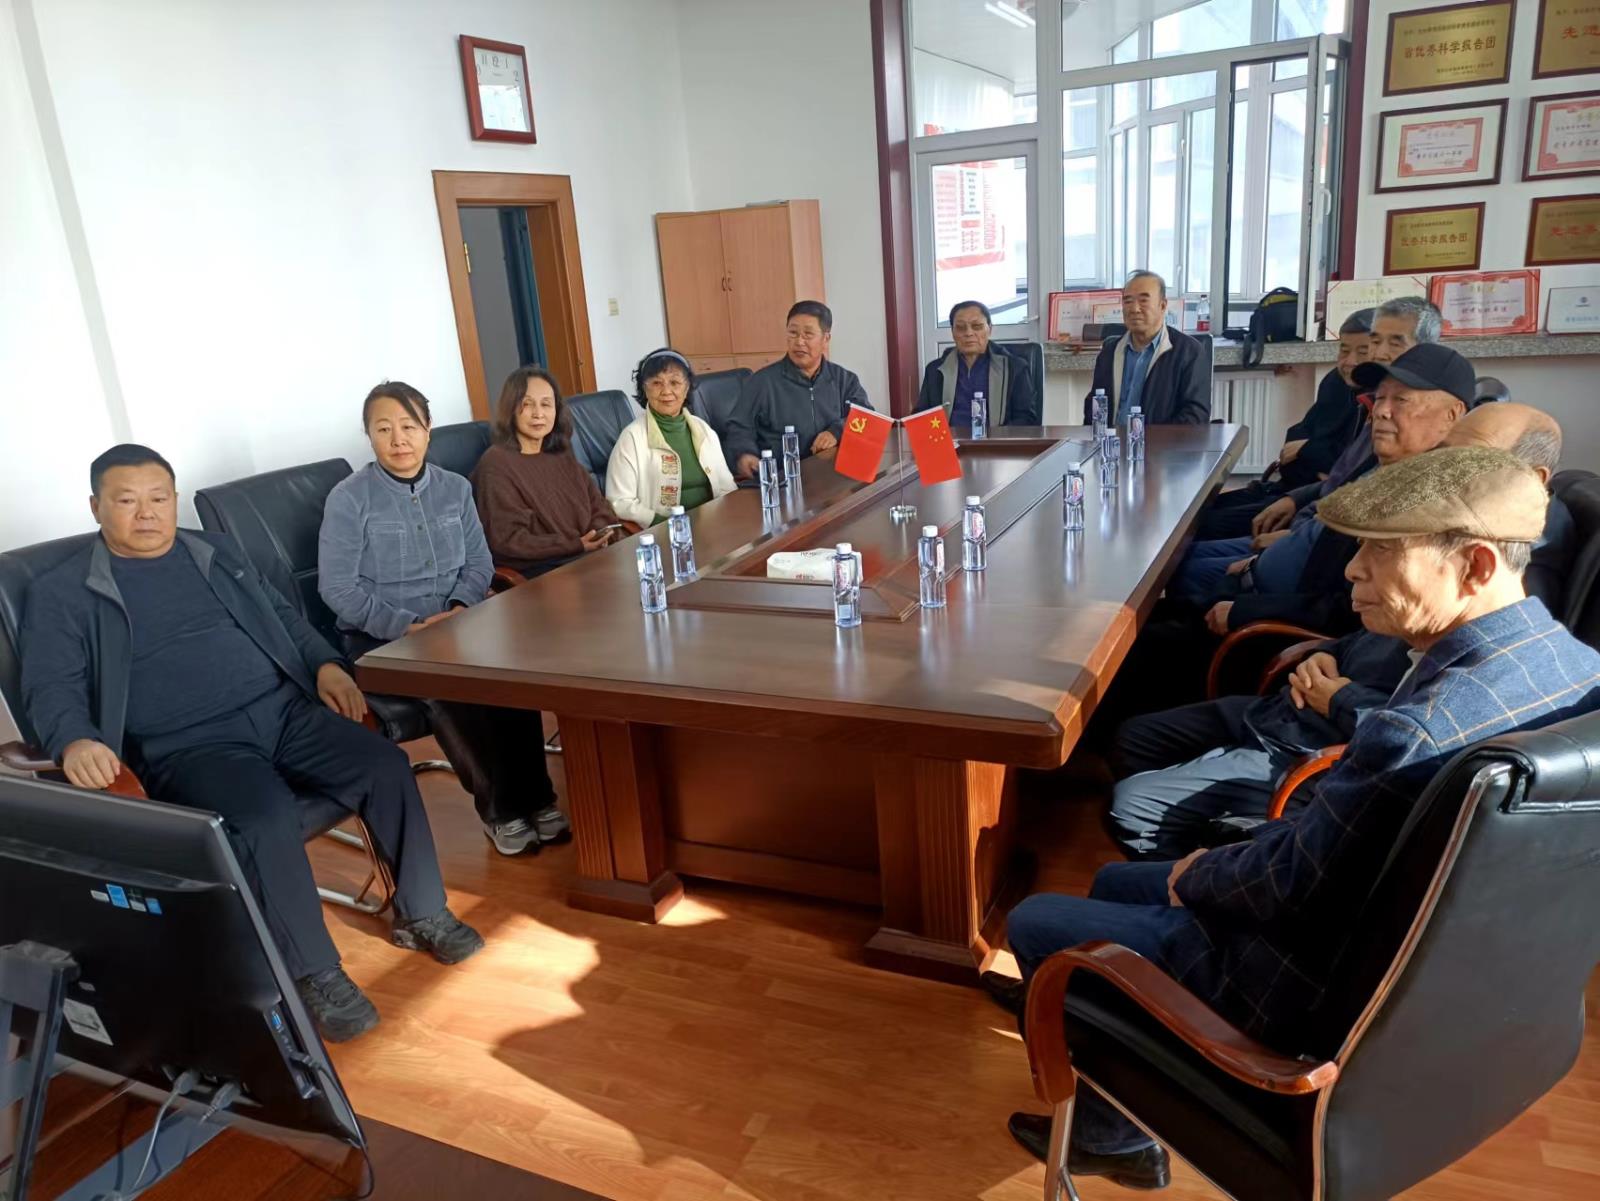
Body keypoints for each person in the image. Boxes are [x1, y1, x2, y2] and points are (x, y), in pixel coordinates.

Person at [996, 445, 1600, 1185]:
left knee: (1036, 921)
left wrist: (1197, 874)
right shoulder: (1580, 673)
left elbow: (1286, 886)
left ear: (1475, 565)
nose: (1353, 571)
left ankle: (1108, 1130)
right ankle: (1100, 1080)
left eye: (1381, 552)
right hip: (1447, 1001)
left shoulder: (1413, 732)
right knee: (1117, 884)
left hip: (1298, 989)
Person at [20, 445, 484, 1044]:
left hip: (282, 711)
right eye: (126, 501)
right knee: (264, 818)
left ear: (175, 499)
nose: (147, 513)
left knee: (385, 765)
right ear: (95, 507)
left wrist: (325, 664)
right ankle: (315, 973)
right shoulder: (64, 592)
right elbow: (49, 685)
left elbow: (284, 618)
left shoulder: (215, 552)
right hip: (190, 744)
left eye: (158, 498)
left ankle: (423, 913)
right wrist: (74, 739)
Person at [1106, 401, 1572, 861]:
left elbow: (1426, 731)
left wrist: (1340, 698)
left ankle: (1200, 858)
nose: (1445, 469)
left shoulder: (1510, 581)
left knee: (1129, 811)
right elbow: (1386, 639)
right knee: (1134, 739)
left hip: (1325, 745)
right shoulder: (1451, 549)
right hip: (1304, 702)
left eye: (1472, 460)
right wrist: (1330, 650)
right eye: (1447, 453)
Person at [319, 381, 570, 858]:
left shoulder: (455, 488)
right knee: (448, 686)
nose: (399, 439)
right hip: (385, 638)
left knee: (513, 675)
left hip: (457, 622)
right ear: (369, 435)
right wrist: (407, 626)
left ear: (428, 428)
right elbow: (338, 589)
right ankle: (501, 812)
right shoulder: (349, 499)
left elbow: (479, 563)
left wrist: (457, 610)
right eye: (384, 429)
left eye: (409, 426)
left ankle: (538, 800)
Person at [1197, 309, 1373, 539]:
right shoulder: (1335, 381)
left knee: (1205, 527)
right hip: (1286, 486)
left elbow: (1342, 468)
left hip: (1309, 501)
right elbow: (1296, 435)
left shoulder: (1377, 402)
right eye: (1344, 350)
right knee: (1199, 510)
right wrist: (1311, 454)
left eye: (1362, 352)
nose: (1349, 361)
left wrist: (1307, 450)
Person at [472, 366, 622, 578]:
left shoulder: (560, 452)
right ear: (511, 409)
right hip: (548, 573)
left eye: (546, 404)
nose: (538, 414)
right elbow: (508, 540)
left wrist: (598, 534)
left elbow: (598, 505)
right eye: (527, 404)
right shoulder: (495, 464)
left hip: (591, 557)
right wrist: (575, 544)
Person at [724, 301, 872, 479]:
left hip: (834, 477)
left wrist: (836, 432)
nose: (799, 342)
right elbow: (738, 427)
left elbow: (867, 418)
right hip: (782, 479)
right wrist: (744, 454)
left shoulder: (844, 379)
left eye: (808, 334)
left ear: (826, 339)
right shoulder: (762, 382)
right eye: (793, 333)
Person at [605, 348, 736, 526]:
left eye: (674, 382)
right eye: (656, 383)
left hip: (713, 524)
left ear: (687, 387)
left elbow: (727, 488)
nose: (666, 391)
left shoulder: (703, 429)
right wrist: (665, 525)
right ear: (644, 389)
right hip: (664, 532)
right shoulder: (632, 438)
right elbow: (619, 502)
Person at [1081, 271, 1210, 426]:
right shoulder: (1110, 352)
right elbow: (1094, 406)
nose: (1134, 309)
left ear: (1163, 305)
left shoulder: (1189, 353)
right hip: (1111, 440)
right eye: (1128, 301)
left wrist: (1152, 439)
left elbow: (1195, 416)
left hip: (1162, 441)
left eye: (1143, 300)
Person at [914, 300, 1041, 430]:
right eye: (961, 327)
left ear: (990, 329)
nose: (968, 333)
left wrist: (995, 438)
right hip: (948, 440)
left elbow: (1027, 419)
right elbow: (921, 416)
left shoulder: (1014, 368)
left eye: (977, 326)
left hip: (996, 441)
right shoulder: (935, 370)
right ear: (952, 332)